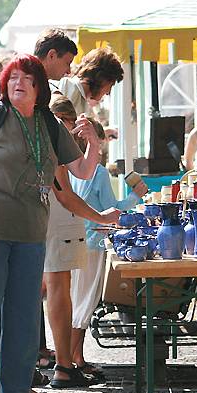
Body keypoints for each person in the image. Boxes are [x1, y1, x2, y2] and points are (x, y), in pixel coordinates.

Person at [0, 54, 101, 393]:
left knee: (23, 313)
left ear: (39, 88)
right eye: (12, 77)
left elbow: (81, 172)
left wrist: (93, 144)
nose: (17, 82)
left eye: (26, 78)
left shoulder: (49, 124)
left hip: (32, 232)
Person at [43, 99, 121, 389]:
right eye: (65, 120)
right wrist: (101, 216)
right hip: (55, 226)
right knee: (61, 296)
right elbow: (66, 195)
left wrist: (93, 144)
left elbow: (84, 172)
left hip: (65, 227)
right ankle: (64, 366)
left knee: (64, 296)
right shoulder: (48, 141)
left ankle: (66, 363)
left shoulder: (58, 144)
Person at [69, 120, 148, 372]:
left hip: (73, 239)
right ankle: (75, 358)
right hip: (93, 241)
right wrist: (137, 195)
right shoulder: (98, 172)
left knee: (75, 299)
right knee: (86, 301)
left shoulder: (69, 169)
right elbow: (113, 209)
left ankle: (71, 356)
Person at [57, 47, 123, 117]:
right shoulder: (68, 86)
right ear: (103, 79)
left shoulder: (85, 105)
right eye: (111, 85)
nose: (108, 92)